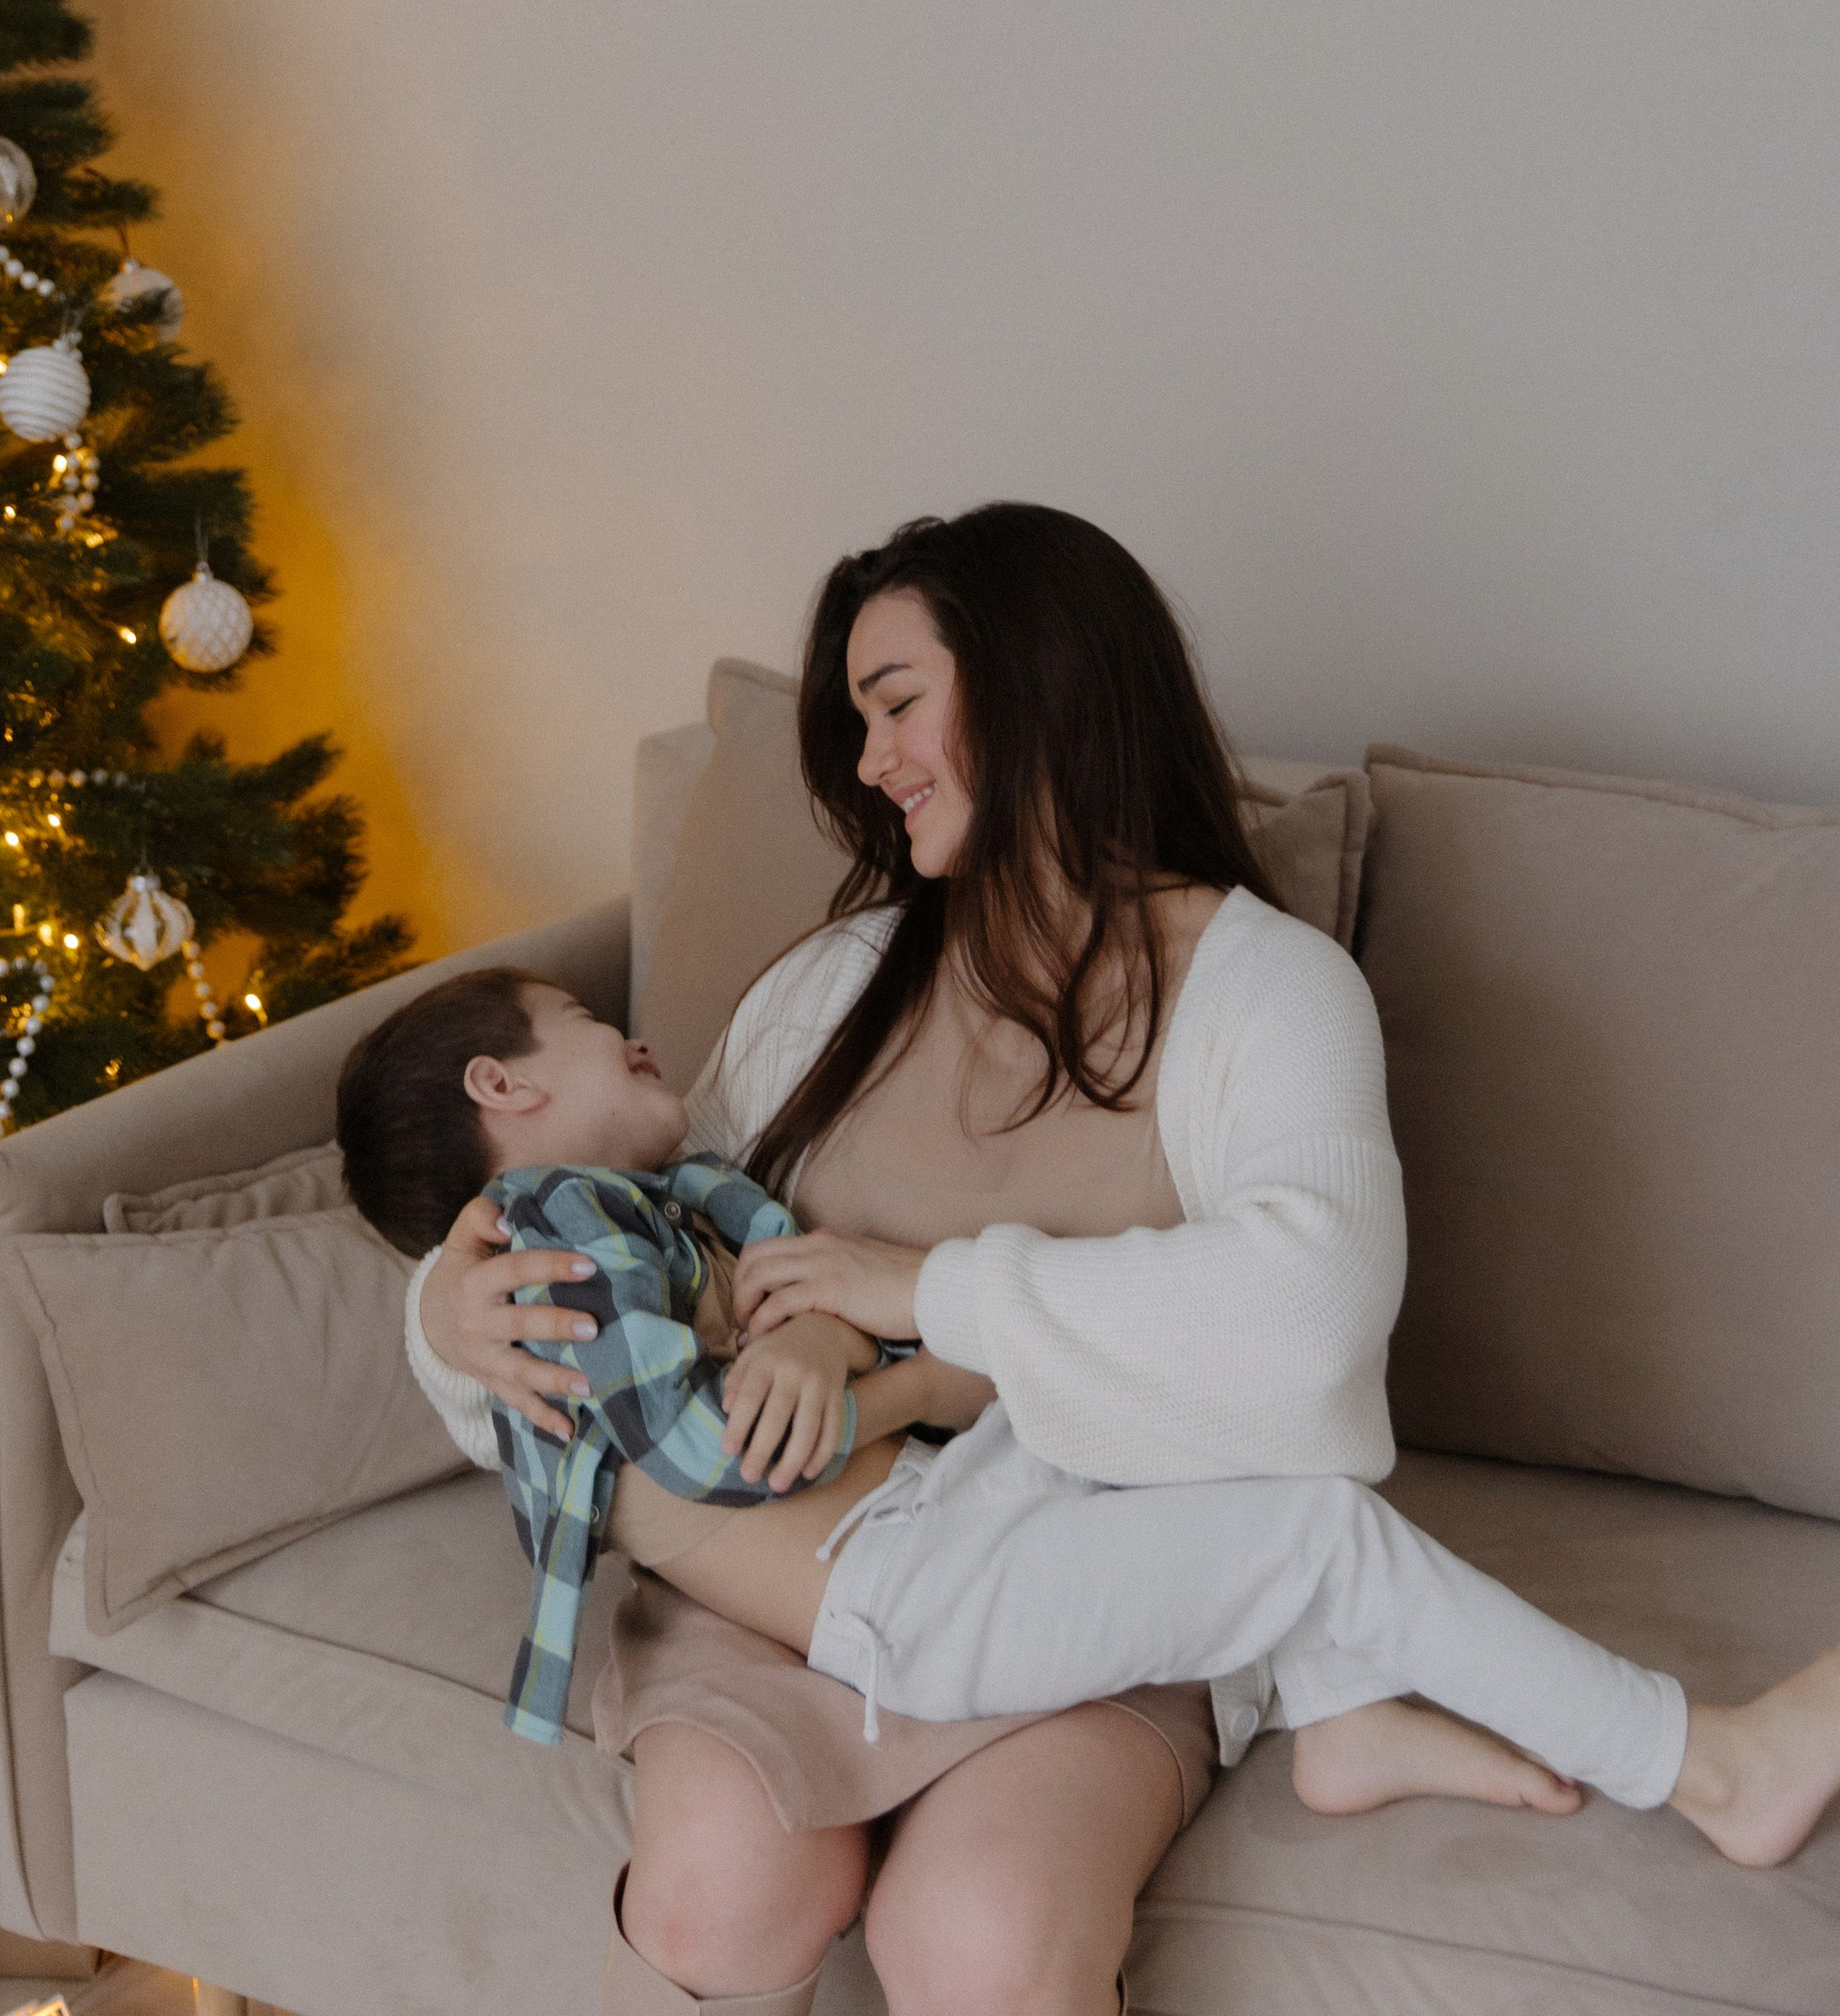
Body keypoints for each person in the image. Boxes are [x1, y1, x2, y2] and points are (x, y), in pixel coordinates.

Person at [400, 504, 1457, 2016]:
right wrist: (447, 1315)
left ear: (1041, 677)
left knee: (978, 1939)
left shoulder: (1271, 994)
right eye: (860, 724)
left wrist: (909, 1293)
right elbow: (605, 1206)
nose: (876, 761)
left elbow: (1313, 1334)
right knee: (714, 1906)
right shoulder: (835, 987)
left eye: (897, 702)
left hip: (1093, 1584)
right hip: (787, 1567)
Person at [339, 964, 1840, 1863]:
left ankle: (1344, 1719)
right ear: (503, 1086)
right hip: (906, 1591)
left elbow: (774, 1318)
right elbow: (717, 1452)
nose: (634, 1034)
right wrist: (844, 1364)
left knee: (1192, 1410)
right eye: (587, 1022)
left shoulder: (643, 1203)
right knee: (1319, 1537)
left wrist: (854, 1345)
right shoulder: (554, 1224)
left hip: (945, 1514)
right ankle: (1709, 1767)